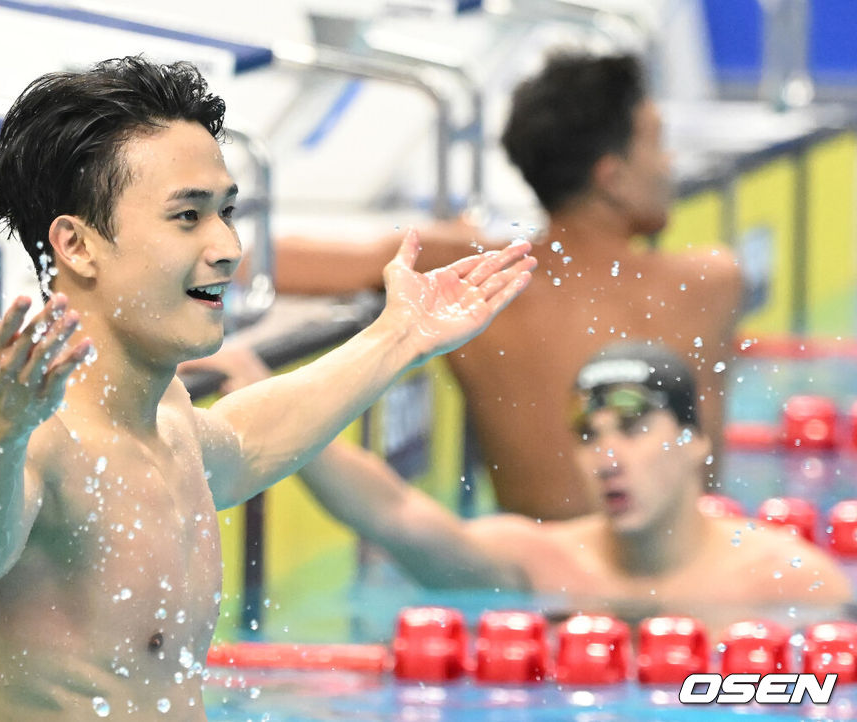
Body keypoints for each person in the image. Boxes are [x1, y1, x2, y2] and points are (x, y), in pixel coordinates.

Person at [0, 56, 536, 721]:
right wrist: (0, 427)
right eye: (187, 217)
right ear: (76, 246)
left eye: (226, 212)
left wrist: (399, 336)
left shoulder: (165, 416)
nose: (227, 246)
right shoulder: (35, 434)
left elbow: (243, 443)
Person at [274, 52, 743, 521]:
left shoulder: (481, 281)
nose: (669, 163)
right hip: (691, 573)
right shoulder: (709, 282)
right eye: (657, 144)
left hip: (534, 573)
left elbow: (289, 259)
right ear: (611, 178)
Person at [285, 341, 852, 627]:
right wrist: (276, 407)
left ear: (695, 440)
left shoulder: (788, 582)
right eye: (588, 435)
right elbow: (395, 514)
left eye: (632, 429)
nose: (607, 458)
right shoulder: (537, 562)